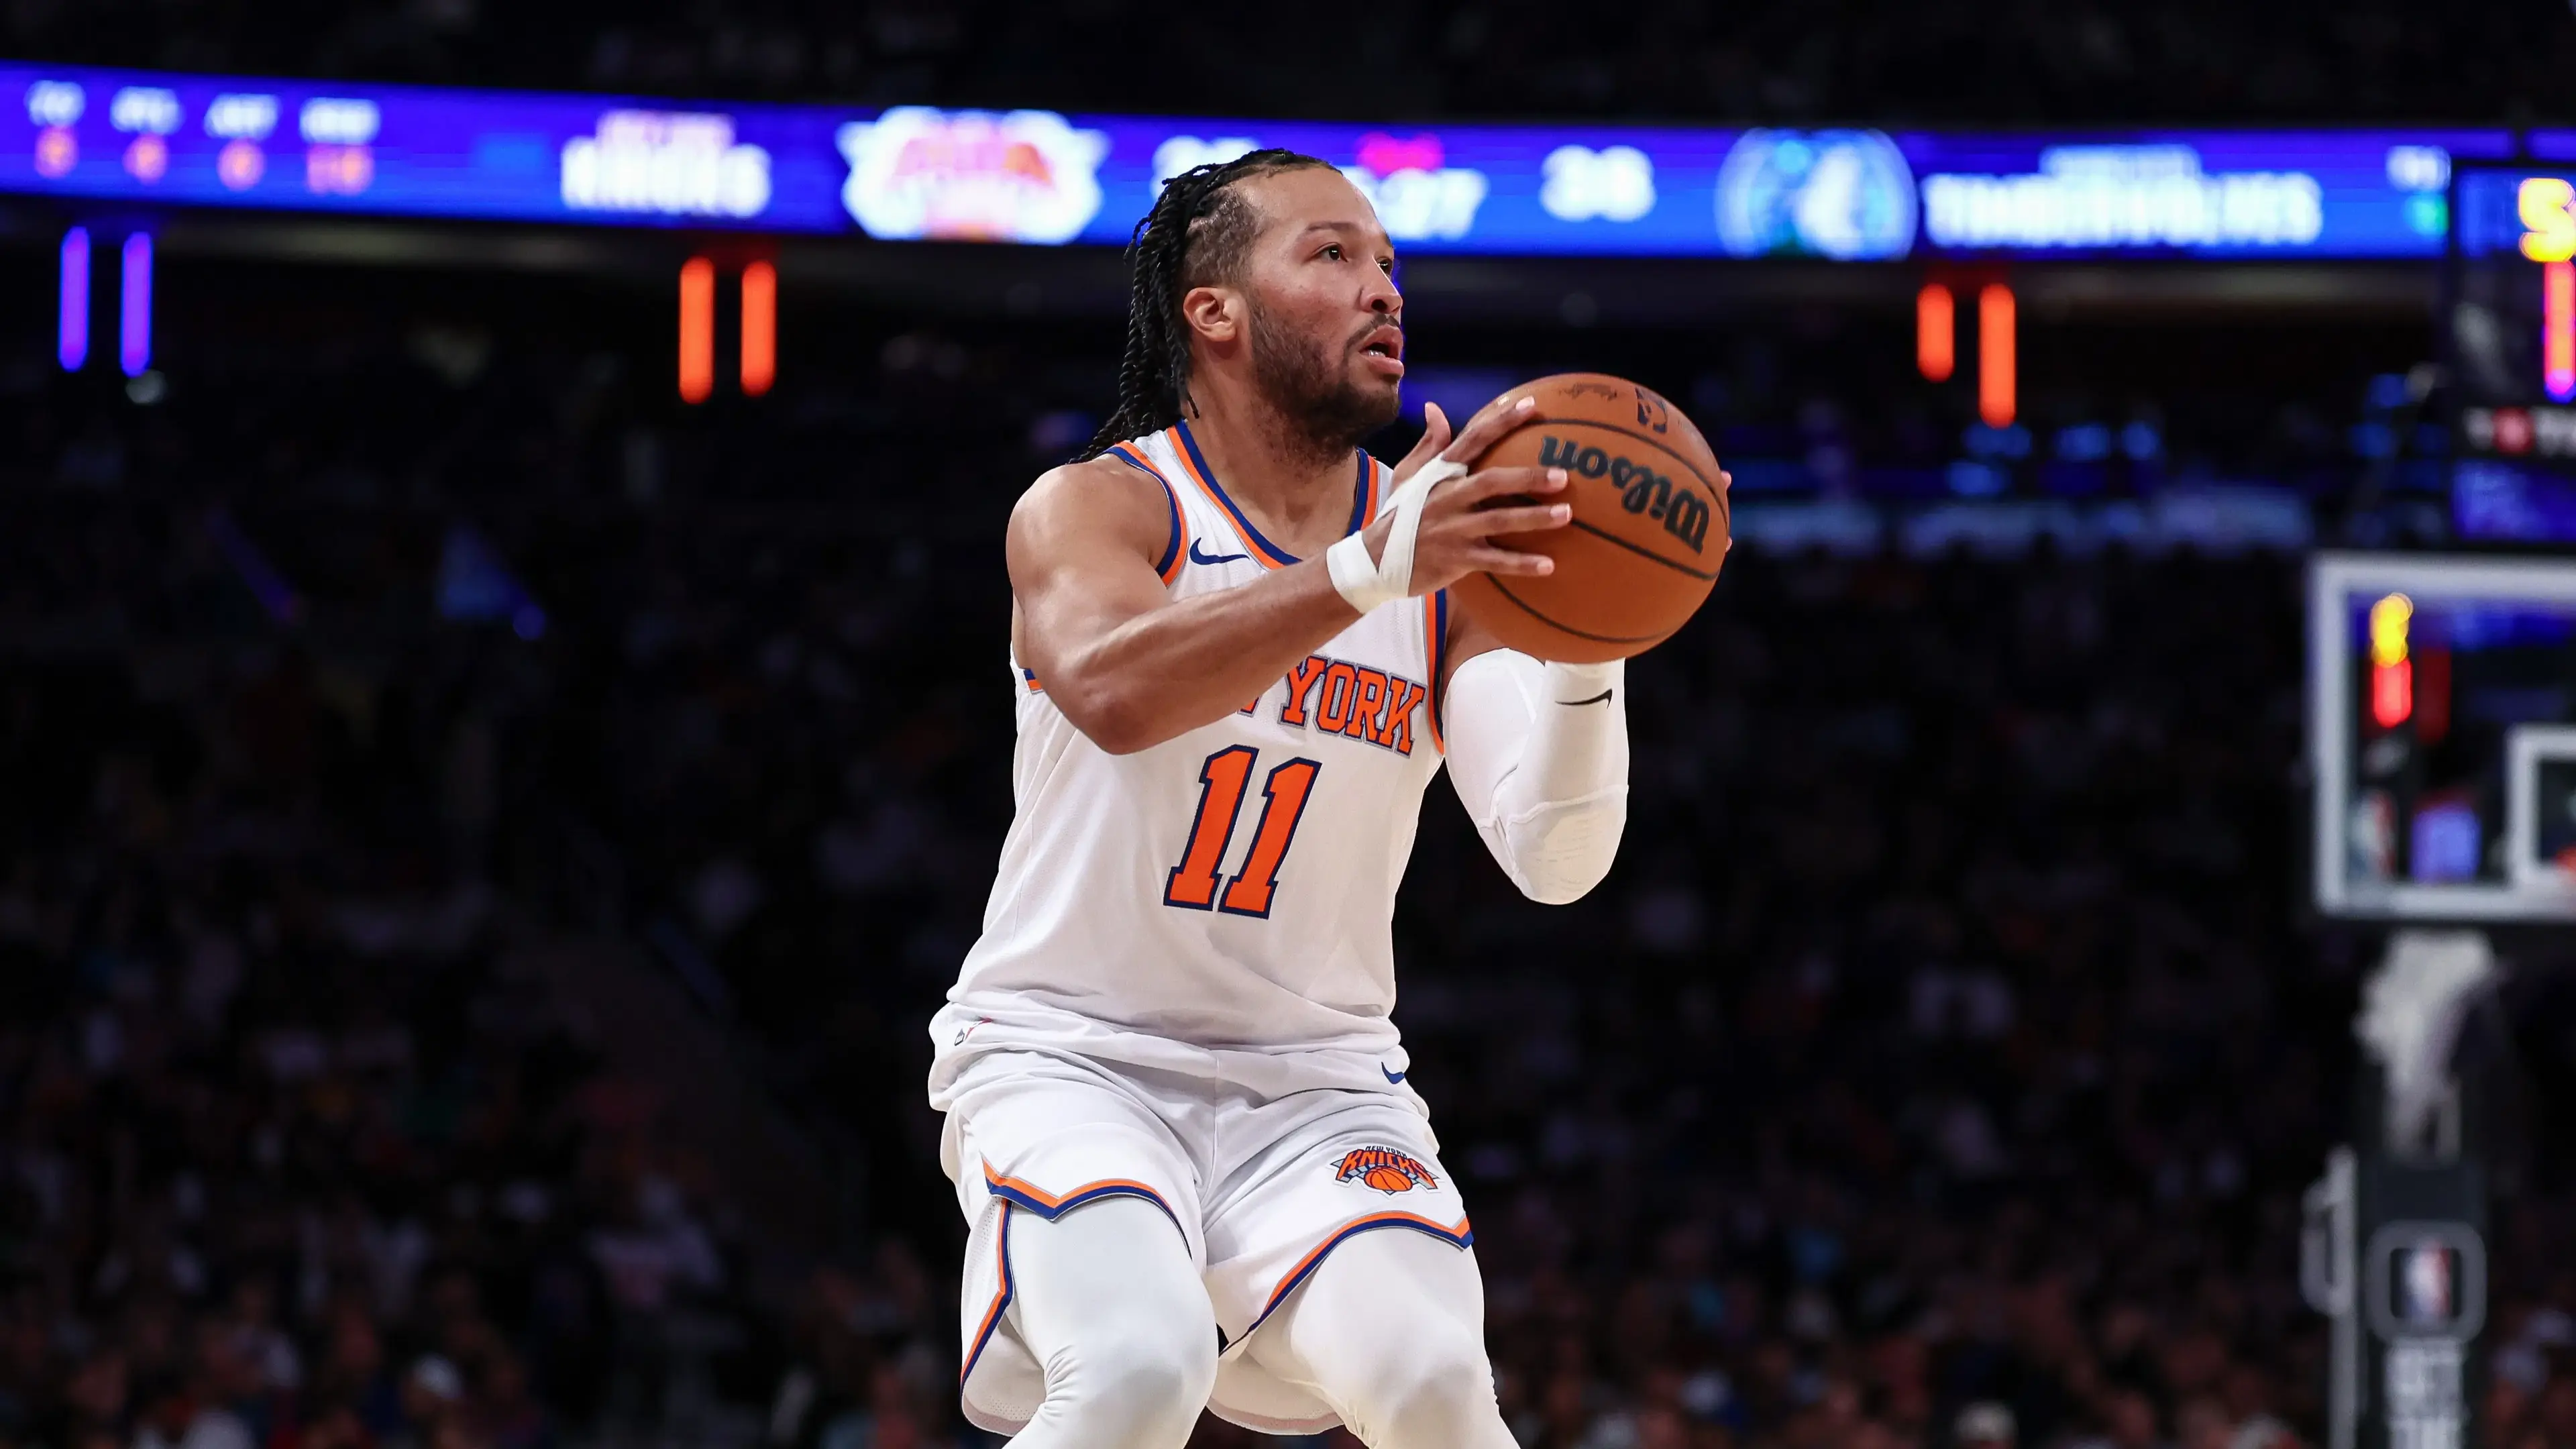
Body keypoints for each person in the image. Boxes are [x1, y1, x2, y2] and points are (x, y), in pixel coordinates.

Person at [931, 149, 1705, 1448]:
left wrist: (1594, 646)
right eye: (1332, 256)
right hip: (1076, 1054)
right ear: (1213, 311)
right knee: (1136, 1372)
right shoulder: (1100, 508)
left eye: (1390, 264)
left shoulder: (1444, 556)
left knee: (1437, 1392)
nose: (1383, 291)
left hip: (1318, 1083)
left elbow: (1553, 859)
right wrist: (1358, 576)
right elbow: (1118, 692)